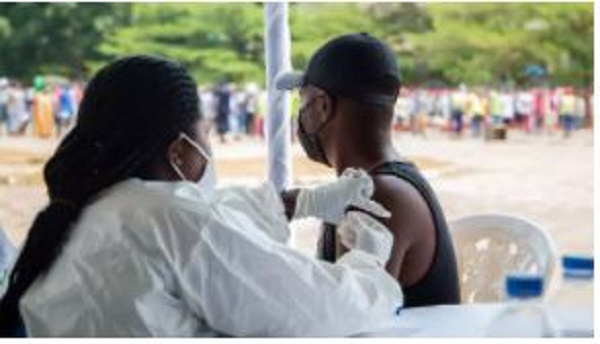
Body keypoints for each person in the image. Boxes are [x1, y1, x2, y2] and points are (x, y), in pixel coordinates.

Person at [0, 55, 404, 337]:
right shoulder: (167, 215)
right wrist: (366, 264)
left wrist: (303, 202)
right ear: (178, 150)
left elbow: (212, 216)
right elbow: (317, 308)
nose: (210, 148)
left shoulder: (89, 208)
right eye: (206, 133)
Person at [277, 33, 460, 308]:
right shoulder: (386, 182)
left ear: (324, 106)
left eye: (303, 101)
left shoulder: (376, 196)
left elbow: (349, 321)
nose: (300, 115)